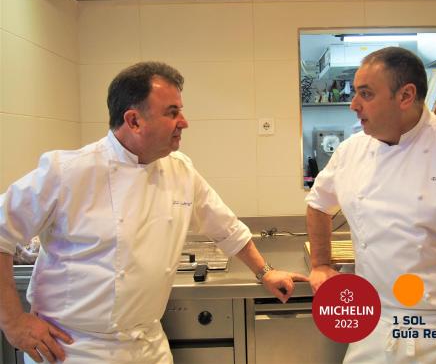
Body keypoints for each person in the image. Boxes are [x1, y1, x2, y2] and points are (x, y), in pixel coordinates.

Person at [0, 61, 308, 364]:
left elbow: (225, 227)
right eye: (172, 113)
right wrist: (13, 323)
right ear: (134, 121)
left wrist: (265, 271)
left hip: (148, 345)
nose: (184, 122)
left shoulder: (180, 170)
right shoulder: (68, 171)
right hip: (74, 348)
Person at [306, 47, 436, 363]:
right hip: (376, 328)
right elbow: (317, 204)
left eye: (365, 94)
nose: (354, 105)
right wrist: (321, 264)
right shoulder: (351, 151)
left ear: (406, 95)